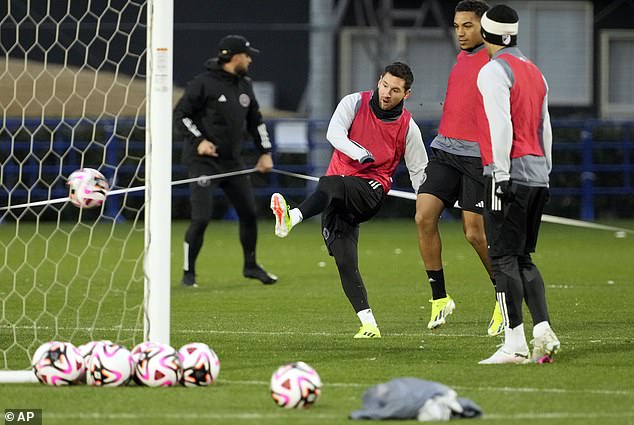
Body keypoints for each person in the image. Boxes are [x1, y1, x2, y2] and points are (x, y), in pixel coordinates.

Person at [270, 62, 428, 338]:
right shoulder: (354, 102)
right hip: (336, 194)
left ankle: (292, 217)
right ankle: (369, 324)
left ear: (407, 94)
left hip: (371, 190)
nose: (387, 93)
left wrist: (429, 205)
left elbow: (419, 172)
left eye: (396, 90)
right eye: (385, 85)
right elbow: (334, 134)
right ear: (379, 81)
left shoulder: (408, 127)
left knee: (330, 184)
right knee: (345, 261)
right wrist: (359, 152)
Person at [475, 4, 560, 364]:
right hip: (539, 174)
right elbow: (546, 129)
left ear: (484, 34)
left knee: (503, 256)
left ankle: (515, 344)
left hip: (508, 174)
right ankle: (542, 329)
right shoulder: (535, 72)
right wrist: (547, 172)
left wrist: (502, 173)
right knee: (522, 255)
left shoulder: (494, 71)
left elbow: (501, 123)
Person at [415, 0, 503, 335]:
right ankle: (440, 298)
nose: (461, 33)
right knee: (423, 216)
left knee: (474, 234)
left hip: (477, 159)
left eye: (468, 25)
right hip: (445, 149)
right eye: (457, 26)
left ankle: (504, 296)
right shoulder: (462, 57)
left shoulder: (497, 59)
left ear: (484, 25)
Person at [174, 34, 277, 287]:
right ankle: (189, 273)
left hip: (233, 163)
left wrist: (265, 152)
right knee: (201, 218)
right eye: (247, 54)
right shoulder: (202, 83)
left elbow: (256, 121)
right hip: (203, 163)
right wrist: (200, 142)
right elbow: (181, 115)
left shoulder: (246, 85)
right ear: (233, 57)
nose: (250, 59)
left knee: (249, 213)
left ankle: (251, 266)